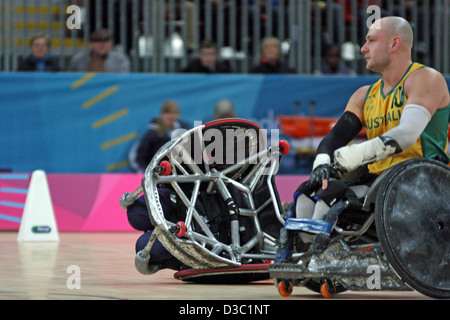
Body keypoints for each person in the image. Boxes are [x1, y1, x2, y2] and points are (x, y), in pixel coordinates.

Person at [275, 16, 450, 263]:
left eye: (370, 40)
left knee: (335, 195)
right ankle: (308, 255)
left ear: (394, 43)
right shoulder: (364, 95)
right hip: (380, 181)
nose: (362, 48)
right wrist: (322, 166)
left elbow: (407, 134)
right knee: (311, 192)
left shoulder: (426, 78)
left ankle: (318, 257)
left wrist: (353, 155)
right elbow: (334, 138)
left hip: (422, 182)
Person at [128, 100, 190, 173]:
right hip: (158, 175)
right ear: (161, 114)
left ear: (178, 114)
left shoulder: (186, 131)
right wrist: (145, 173)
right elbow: (136, 158)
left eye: (174, 113)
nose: (170, 116)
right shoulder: (152, 133)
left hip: (181, 175)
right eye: (167, 112)